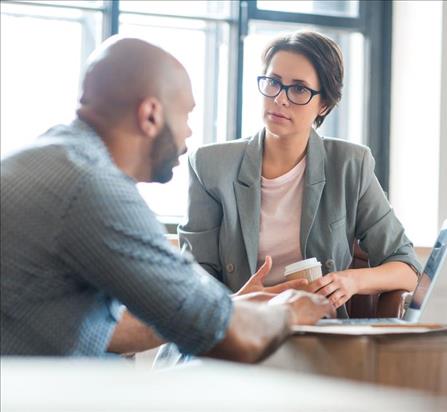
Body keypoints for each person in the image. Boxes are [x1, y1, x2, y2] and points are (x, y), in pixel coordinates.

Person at [0, 36, 332, 360]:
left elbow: (112, 328)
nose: (188, 134)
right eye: (185, 116)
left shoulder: (49, 157)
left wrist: (230, 306)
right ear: (150, 115)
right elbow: (230, 339)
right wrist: (290, 311)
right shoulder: (95, 190)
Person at [180, 31, 423, 317]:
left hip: (318, 333)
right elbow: (193, 277)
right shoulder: (211, 165)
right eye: (273, 82)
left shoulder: (350, 165)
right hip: (236, 328)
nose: (280, 99)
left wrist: (352, 280)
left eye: (298, 89)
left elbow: (408, 268)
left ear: (324, 104)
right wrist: (239, 303)